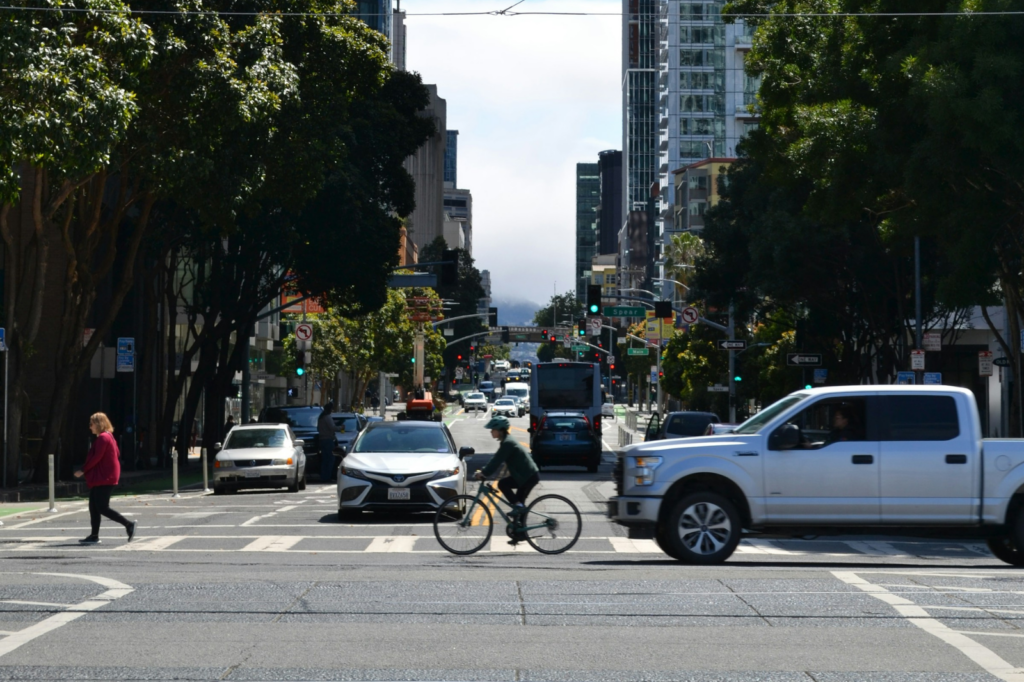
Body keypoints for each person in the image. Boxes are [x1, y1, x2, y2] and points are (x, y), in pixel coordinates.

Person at [474, 415, 539, 544]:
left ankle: (518, 508)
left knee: (503, 484)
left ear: (500, 429)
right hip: (524, 475)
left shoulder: (508, 443)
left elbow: (497, 460)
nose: (491, 431)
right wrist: (484, 471)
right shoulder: (506, 441)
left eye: (493, 429)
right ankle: (519, 533)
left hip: (527, 476)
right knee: (518, 506)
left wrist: (484, 473)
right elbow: (496, 459)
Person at [74, 413, 137, 544]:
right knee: (93, 506)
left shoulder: (103, 438)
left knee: (102, 507)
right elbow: (117, 453)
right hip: (104, 477)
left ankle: (128, 524)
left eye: (91, 424)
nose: (90, 427)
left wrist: (83, 470)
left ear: (98, 424)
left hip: (104, 477)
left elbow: (96, 458)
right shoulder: (109, 437)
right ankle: (94, 535)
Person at [317, 402, 342, 482]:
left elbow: (318, 429)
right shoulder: (327, 417)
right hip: (328, 439)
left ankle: (324, 476)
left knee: (325, 459)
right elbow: (333, 427)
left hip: (322, 439)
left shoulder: (321, 418)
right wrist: (341, 427)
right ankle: (328, 476)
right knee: (331, 458)